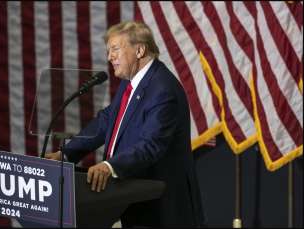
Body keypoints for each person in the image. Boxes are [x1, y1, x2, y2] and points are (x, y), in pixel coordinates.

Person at [46, 21, 205, 227]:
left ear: (139, 50)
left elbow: (151, 145)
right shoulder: (132, 83)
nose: (109, 57)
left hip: (159, 208)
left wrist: (110, 166)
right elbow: (107, 120)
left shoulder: (163, 89)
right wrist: (66, 153)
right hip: (132, 199)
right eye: (108, 51)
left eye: (115, 49)